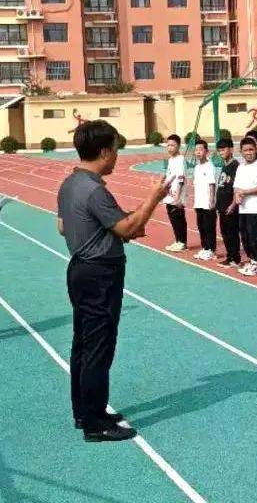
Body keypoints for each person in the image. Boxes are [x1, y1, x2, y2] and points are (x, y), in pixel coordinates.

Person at [57, 120, 168, 442]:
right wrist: (153, 198)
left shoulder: (70, 184)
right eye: (116, 150)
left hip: (80, 267)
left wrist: (114, 230)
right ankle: (95, 423)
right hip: (99, 274)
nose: (117, 156)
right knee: (98, 348)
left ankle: (85, 410)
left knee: (83, 344)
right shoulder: (94, 190)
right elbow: (126, 229)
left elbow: (65, 227)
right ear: (104, 152)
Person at [234, 137, 257, 276]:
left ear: (256, 150)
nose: (248, 153)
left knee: (255, 237)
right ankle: (252, 260)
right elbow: (236, 186)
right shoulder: (241, 167)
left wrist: (245, 192)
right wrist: (237, 195)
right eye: (245, 150)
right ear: (241, 152)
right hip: (243, 209)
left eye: (251, 150)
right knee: (245, 236)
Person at [215, 138, 241, 268]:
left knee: (232, 232)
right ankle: (229, 256)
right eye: (219, 150)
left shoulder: (235, 166)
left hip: (231, 206)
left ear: (231, 149)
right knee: (225, 232)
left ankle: (235, 258)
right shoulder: (224, 165)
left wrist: (233, 204)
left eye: (223, 149)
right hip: (222, 206)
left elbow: (236, 188)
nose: (221, 153)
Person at [191, 140, 218, 262]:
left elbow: (212, 185)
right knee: (201, 227)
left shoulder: (210, 166)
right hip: (199, 203)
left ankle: (211, 250)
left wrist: (212, 201)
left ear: (207, 151)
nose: (198, 152)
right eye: (196, 150)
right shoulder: (197, 167)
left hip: (208, 204)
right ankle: (205, 247)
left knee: (209, 227)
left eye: (200, 150)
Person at [162, 134, 188, 252]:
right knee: (173, 219)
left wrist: (178, 198)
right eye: (168, 145)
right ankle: (178, 240)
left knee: (179, 219)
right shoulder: (170, 159)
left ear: (178, 146)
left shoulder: (180, 159)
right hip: (170, 194)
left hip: (177, 195)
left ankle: (182, 242)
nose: (170, 147)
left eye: (173, 145)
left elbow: (181, 179)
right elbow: (169, 176)